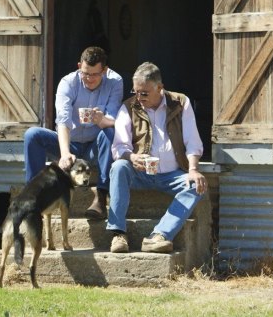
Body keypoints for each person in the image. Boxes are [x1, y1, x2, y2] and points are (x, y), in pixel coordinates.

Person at [106, 62, 207, 253]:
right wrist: (131, 157)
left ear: (160, 88)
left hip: (172, 174)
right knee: (119, 167)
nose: (139, 97)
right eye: (135, 91)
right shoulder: (128, 107)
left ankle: (159, 235)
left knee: (197, 185)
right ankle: (118, 234)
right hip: (140, 173)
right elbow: (119, 146)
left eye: (144, 93)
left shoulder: (180, 102)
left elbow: (193, 141)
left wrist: (193, 169)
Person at [23, 46, 123, 219]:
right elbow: (63, 121)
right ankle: (33, 197)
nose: (89, 79)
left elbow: (114, 120)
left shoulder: (115, 81)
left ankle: (101, 196)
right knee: (32, 135)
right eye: (85, 73)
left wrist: (101, 120)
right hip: (70, 143)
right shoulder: (68, 82)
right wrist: (64, 153)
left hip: (95, 145)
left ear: (105, 71)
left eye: (95, 74)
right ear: (79, 66)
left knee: (110, 132)